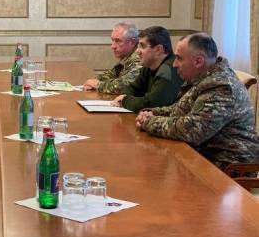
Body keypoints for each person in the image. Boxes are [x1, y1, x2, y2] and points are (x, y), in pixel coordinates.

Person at [136, 33, 259, 169]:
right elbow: (179, 109)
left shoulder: (221, 86)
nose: (175, 64)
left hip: (226, 168)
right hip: (203, 158)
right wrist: (151, 113)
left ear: (198, 61)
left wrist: (149, 122)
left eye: (179, 58)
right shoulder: (204, 77)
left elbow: (192, 130)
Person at [112, 26, 183, 112]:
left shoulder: (168, 69)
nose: (137, 51)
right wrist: (127, 98)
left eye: (142, 46)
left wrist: (125, 101)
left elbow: (152, 103)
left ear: (158, 49)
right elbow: (131, 88)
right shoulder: (148, 66)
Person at [83, 22, 141, 94]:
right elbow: (111, 75)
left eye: (118, 41)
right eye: (112, 40)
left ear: (132, 42)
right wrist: (92, 82)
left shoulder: (140, 57)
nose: (113, 46)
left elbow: (125, 86)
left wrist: (98, 85)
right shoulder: (127, 56)